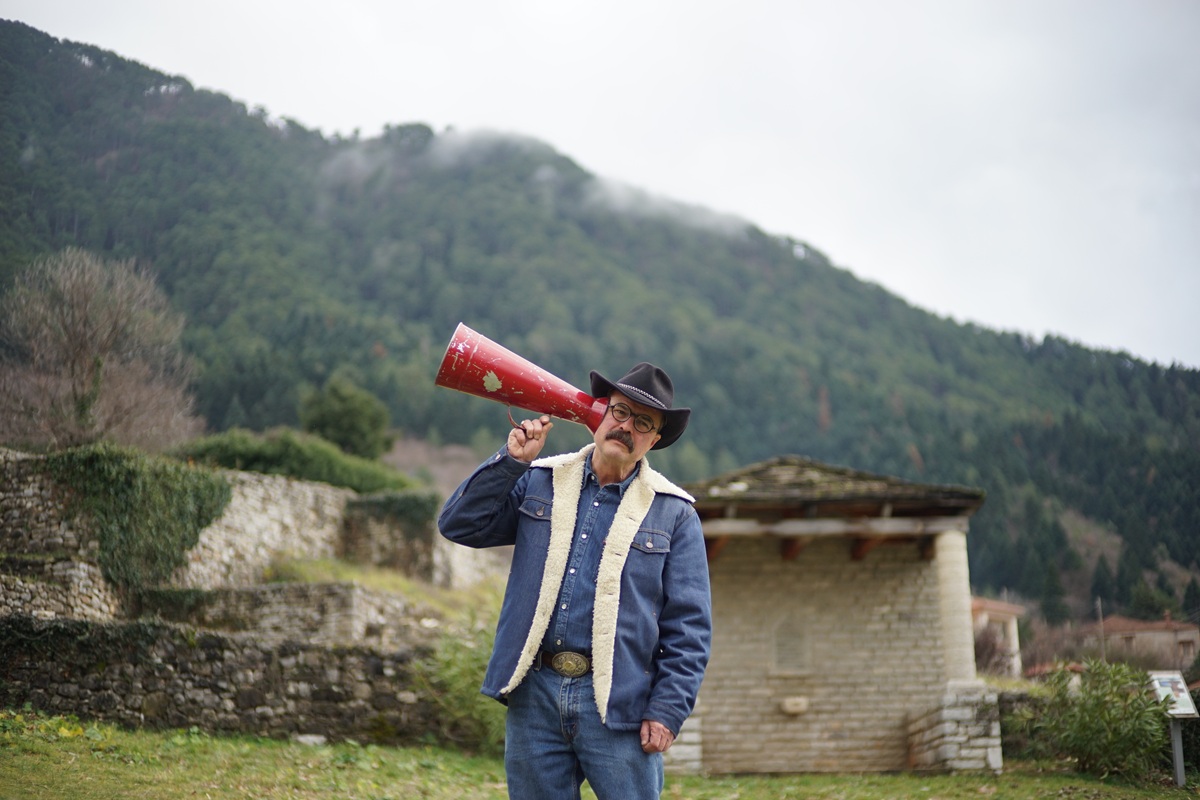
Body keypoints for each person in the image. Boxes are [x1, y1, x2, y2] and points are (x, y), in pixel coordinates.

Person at [438, 362, 712, 800]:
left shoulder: (676, 514)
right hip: (535, 695)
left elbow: (689, 629)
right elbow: (459, 524)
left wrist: (666, 709)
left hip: (621, 702)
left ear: (655, 440)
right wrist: (512, 463)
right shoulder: (540, 479)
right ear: (599, 413)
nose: (627, 427)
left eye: (643, 423)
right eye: (620, 411)